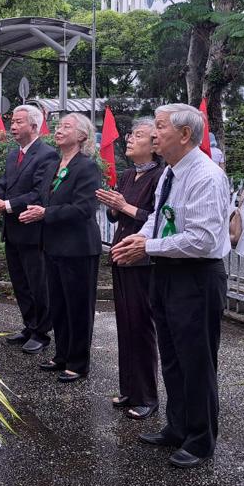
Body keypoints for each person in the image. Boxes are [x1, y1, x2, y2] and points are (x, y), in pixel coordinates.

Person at [111, 103, 230, 469]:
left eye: (160, 127)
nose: (153, 133)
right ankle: (177, 426)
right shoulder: (170, 174)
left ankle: (200, 439)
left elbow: (203, 239)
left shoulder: (206, 176)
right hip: (166, 272)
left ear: (184, 134)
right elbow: (160, 219)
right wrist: (141, 241)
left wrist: (149, 246)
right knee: (173, 357)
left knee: (196, 360)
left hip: (196, 276)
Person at [19, 113, 101, 382]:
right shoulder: (56, 163)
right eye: (58, 125)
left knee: (78, 306)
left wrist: (46, 213)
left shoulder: (86, 167)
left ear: (82, 136)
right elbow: (45, 197)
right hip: (53, 245)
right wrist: (38, 211)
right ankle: (62, 354)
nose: (59, 130)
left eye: (67, 126)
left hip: (78, 248)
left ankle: (78, 362)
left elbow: (84, 208)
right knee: (59, 304)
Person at [95, 118, 164, 419]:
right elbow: (115, 217)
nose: (129, 140)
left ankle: (147, 396)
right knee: (125, 325)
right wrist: (113, 206)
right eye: (130, 135)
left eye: (138, 136)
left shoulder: (161, 176)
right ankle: (129, 389)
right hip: (120, 254)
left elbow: (155, 218)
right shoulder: (126, 175)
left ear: (154, 144)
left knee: (142, 326)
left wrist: (123, 206)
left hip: (142, 259)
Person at [0, 106, 59, 354]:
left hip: (32, 229)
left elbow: (38, 194)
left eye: (18, 122)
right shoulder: (13, 154)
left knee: (38, 283)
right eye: (12, 122)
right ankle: (29, 324)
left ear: (34, 127)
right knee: (20, 282)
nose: (12, 127)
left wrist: (5, 205)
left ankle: (42, 332)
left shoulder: (47, 155)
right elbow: (3, 183)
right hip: (13, 229)